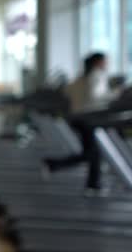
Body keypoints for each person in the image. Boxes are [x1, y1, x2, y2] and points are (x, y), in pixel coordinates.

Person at [43, 52, 117, 189]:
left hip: (77, 119)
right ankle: (53, 164)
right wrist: (116, 94)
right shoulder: (97, 75)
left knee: (93, 153)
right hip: (89, 119)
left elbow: (66, 92)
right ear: (98, 62)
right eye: (105, 61)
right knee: (92, 153)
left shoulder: (81, 77)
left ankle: (92, 184)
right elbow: (96, 96)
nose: (107, 64)